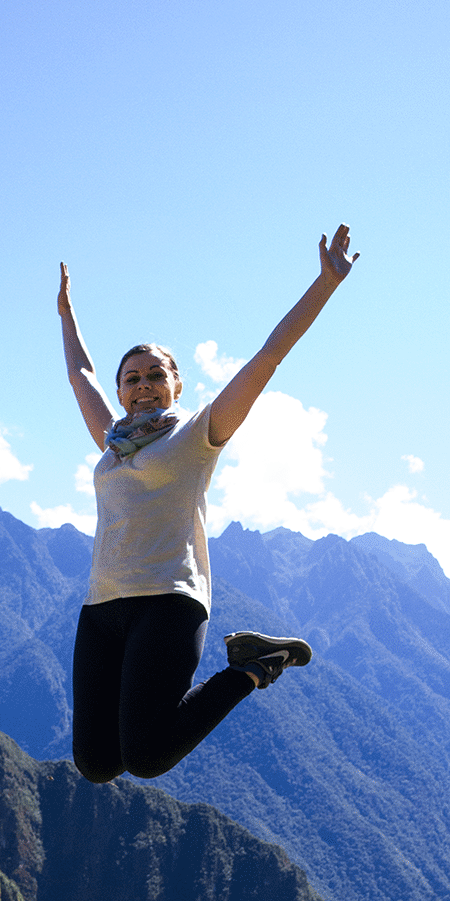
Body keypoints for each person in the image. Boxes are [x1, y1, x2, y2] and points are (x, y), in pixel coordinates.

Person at [59, 224, 358, 783]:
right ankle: (249, 664)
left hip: (168, 600)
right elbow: (81, 377)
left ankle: (251, 667)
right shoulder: (113, 443)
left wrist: (325, 284)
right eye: (132, 379)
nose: (142, 384)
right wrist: (65, 314)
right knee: (96, 763)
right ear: (122, 392)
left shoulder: (198, 433)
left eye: (155, 375)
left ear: (175, 384)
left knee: (147, 758)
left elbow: (268, 357)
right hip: (102, 608)